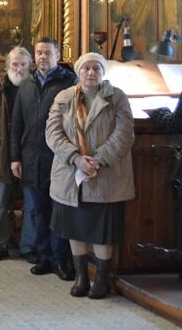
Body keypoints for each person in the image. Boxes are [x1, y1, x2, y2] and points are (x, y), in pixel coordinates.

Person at [46, 53, 135, 299]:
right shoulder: (64, 97)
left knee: (102, 230)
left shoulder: (117, 97)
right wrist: (76, 158)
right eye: (86, 68)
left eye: (96, 68)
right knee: (76, 228)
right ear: (79, 71)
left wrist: (98, 159)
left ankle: (102, 280)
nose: (91, 73)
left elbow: (124, 134)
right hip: (71, 176)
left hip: (106, 176)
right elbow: (52, 133)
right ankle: (82, 277)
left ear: (103, 72)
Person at [10, 37, 78, 280]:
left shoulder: (68, 82)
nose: (42, 57)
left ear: (57, 56)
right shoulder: (26, 84)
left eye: (47, 53)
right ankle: (44, 256)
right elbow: (17, 123)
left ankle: (60, 258)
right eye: (38, 52)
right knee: (36, 211)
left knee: (57, 211)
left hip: (58, 159)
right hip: (30, 158)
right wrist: (14, 157)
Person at [0, 47, 31, 261]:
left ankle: (28, 246)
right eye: (15, 64)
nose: (19, 68)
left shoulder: (33, 87)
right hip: (2, 153)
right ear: (6, 67)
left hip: (29, 153)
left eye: (23, 64)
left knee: (31, 203)